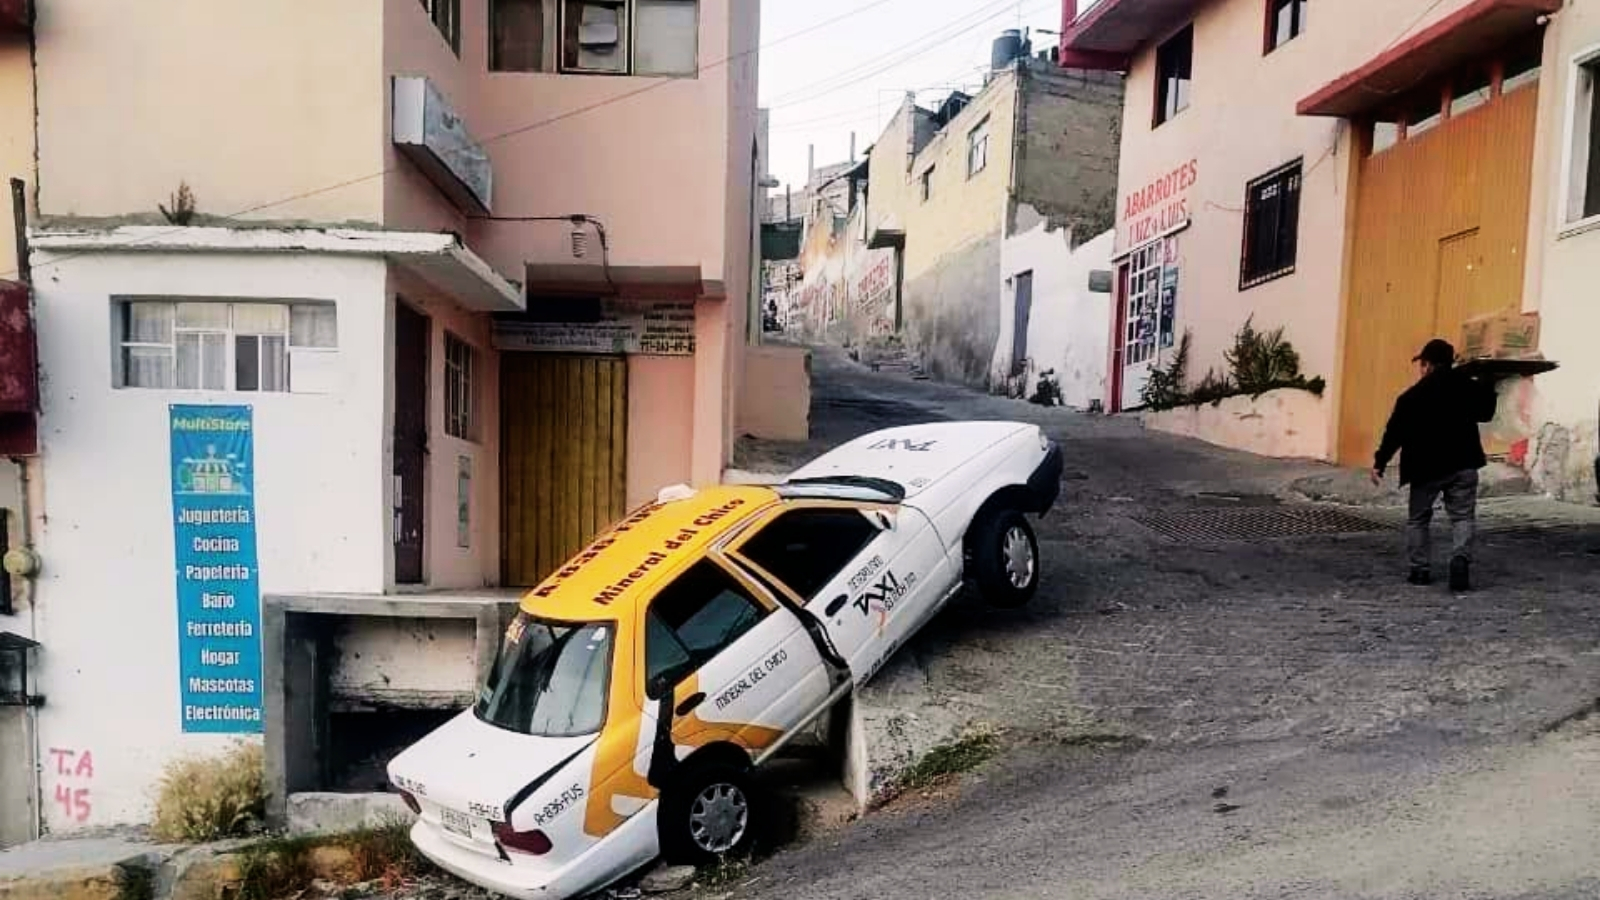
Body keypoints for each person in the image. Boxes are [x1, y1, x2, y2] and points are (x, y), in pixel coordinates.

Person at [1370, 338, 1497, 591]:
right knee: (1462, 517)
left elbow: (1394, 433)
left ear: (1427, 365)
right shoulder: (1467, 387)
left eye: (1422, 364)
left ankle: (1420, 570)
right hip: (1464, 463)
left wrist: (1380, 463)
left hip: (1425, 468)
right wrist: (1488, 383)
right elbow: (1486, 413)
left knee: (1418, 519)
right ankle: (1460, 557)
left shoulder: (1411, 397)